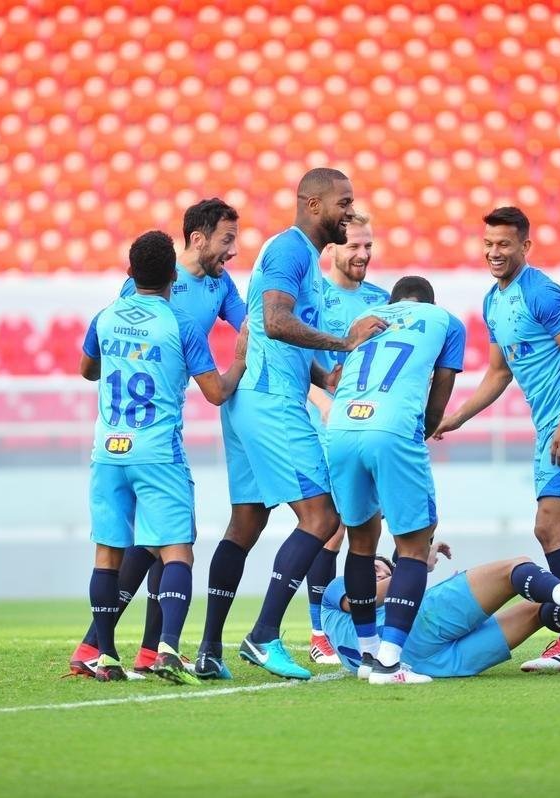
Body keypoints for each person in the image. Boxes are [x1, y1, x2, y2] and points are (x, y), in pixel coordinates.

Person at [194, 167, 387, 681]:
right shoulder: (291, 250)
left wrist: (331, 377)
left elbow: (292, 344)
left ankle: (209, 649)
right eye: (344, 202)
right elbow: (276, 323)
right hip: (271, 401)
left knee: (247, 523)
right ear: (313, 204)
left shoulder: (306, 260)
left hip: (257, 398)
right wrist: (343, 342)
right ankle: (262, 636)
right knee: (322, 517)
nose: (350, 210)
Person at [434, 206, 560, 673]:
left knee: (548, 528)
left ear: (525, 247)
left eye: (504, 244)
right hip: (551, 426)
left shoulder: (542, 292)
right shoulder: (492, 302)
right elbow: (498, 372)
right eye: (489, 244)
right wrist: (457, 417)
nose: (495, 252)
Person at [67, 198, 247, 678]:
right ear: (173, 275)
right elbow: (215, 392)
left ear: (131, 272)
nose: (232, 250)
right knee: (176, 549)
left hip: (108, 448)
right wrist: (241, 364)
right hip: (156, 448)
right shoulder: (182, 324)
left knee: (109, 550)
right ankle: (165, 647)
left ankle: (104, 653)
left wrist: (129, 358)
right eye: (228, 239)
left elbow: (87, 369)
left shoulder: (108, 314)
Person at [326, 275, 464, 684]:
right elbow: (439, 394)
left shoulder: (367, 316)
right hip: (391, 428)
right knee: (414, 547)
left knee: (360, 543)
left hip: (341, 426)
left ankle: (368, 655)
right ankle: (389, 663)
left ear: (393, 302)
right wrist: (422, 433)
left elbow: (339, 373)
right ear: (428, 300)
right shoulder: (445, 320)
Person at [321, 545, 560, 679]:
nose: (381, 573)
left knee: (538, 610)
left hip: (434, 665)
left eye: (386, 569)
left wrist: (414, 566)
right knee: (514, 568)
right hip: (420, 626)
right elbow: (368, 596)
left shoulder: (334, 619)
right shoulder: (340, 587)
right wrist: (414, 564)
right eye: (376, 569)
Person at [304, 210, 390, 665]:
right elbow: (298, 366)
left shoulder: (383, 300)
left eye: (368, 245)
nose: (362, 253)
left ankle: (361, 631)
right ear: (332, 248)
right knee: (329, 529)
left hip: (369, 430)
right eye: (354, 245)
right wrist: (323, 403)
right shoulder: (313, 298)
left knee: (363, 531)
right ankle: (319, 632)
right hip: (327, 429)